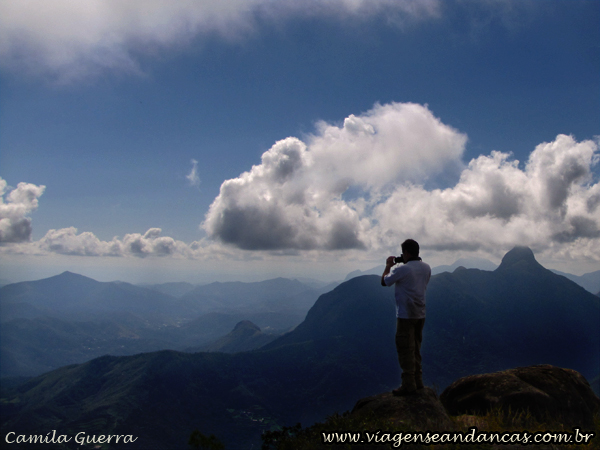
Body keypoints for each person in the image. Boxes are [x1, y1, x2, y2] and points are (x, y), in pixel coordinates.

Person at [381, 239, 431, 396]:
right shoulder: (426, 268)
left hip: (405, 315)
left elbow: (384, 282)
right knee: (416, 348)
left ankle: (408, 385)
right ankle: (418, 381)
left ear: (407, 253)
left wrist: (389, 266)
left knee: (405, 349)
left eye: (403, 253)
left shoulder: (403, 270)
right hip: (420, 314)